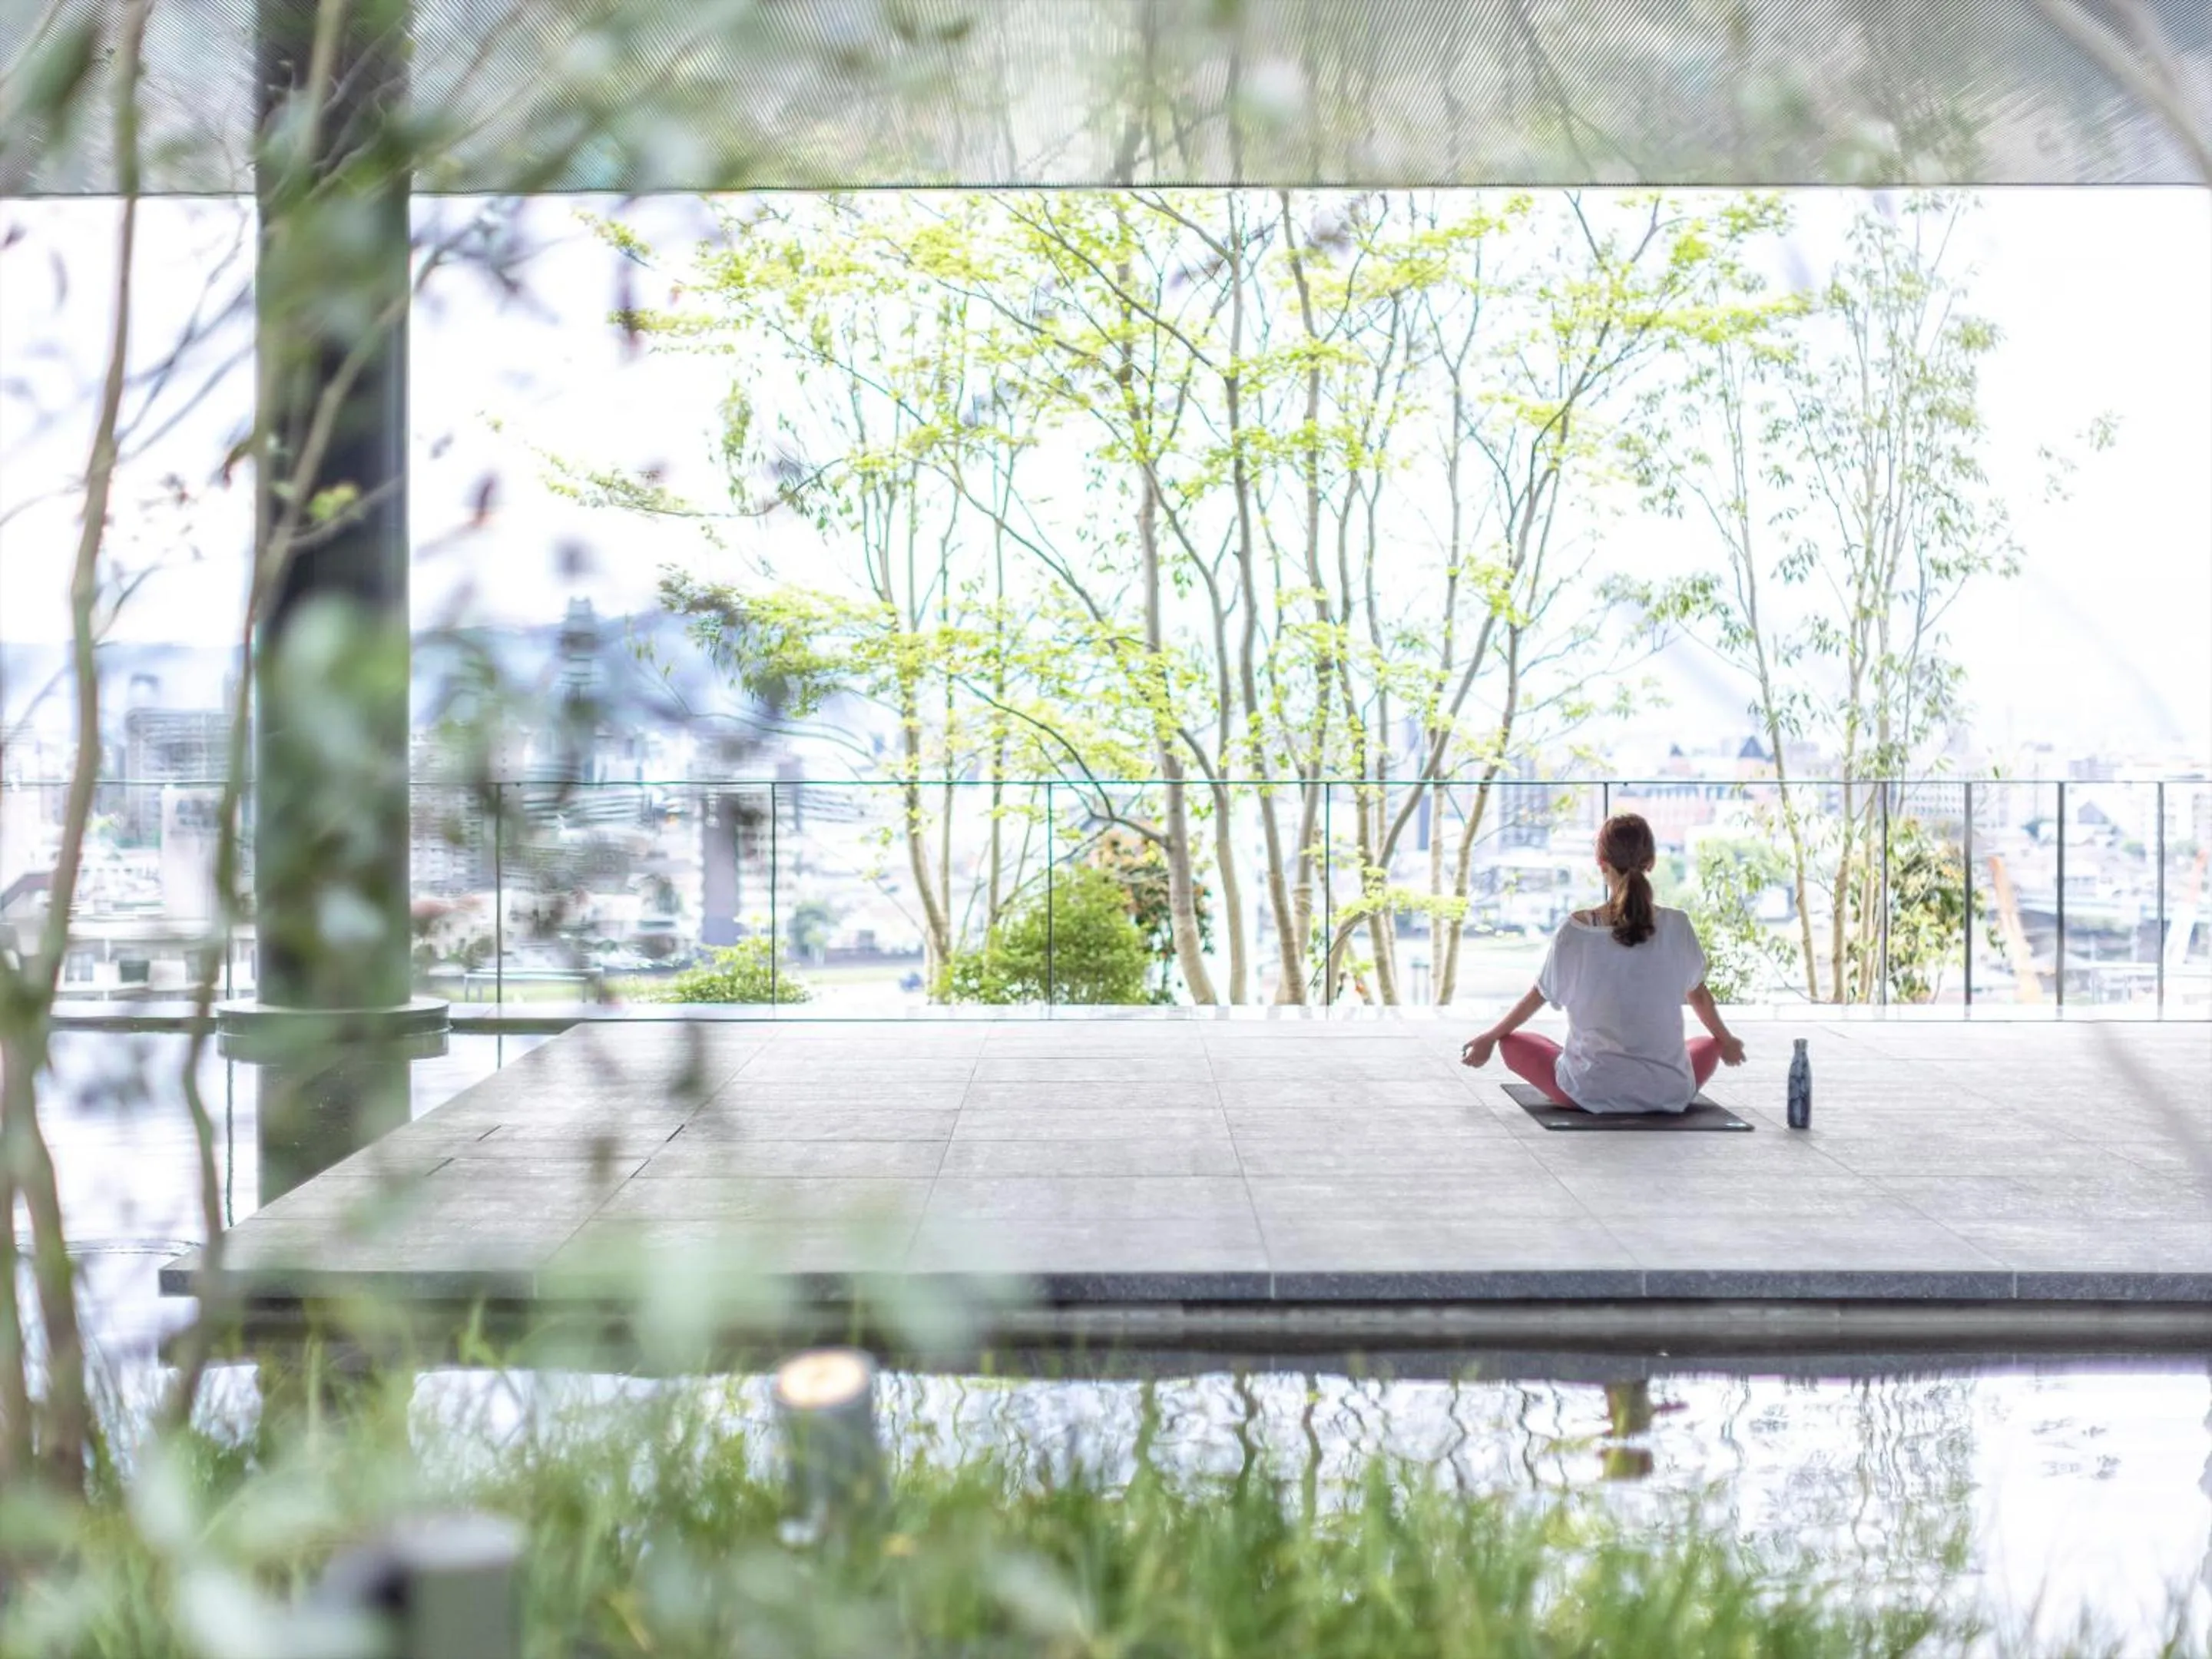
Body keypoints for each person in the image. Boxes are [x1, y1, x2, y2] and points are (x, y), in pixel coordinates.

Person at [1459, 813, 1745, 1113]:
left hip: (1589, 1092)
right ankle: (1653, 1082)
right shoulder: (1678, 924)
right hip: (1668, 1092)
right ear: (1651, 862)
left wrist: (1490, 1037)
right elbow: (1699, 996)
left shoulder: (1575, 930)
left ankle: (1592, 1077)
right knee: (1707, 1044)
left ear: (1601, 862)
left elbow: (1538, 996)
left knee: (1513, 1042)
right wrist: (1726, 1040)